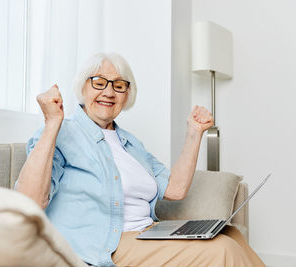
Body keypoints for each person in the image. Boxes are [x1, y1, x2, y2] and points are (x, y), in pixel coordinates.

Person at [15, 53, 264, 267]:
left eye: (119, 85)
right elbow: (31, 200)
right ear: (83, 88)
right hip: (106, 244)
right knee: (221, 249)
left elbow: (175, 190)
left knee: (232, 236)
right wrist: (51, 124)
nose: (109, 92)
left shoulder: (131, 143)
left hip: (147, 233)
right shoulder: (62, 133)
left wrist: (194, 133)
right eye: (99, 82)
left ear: (127, 95)